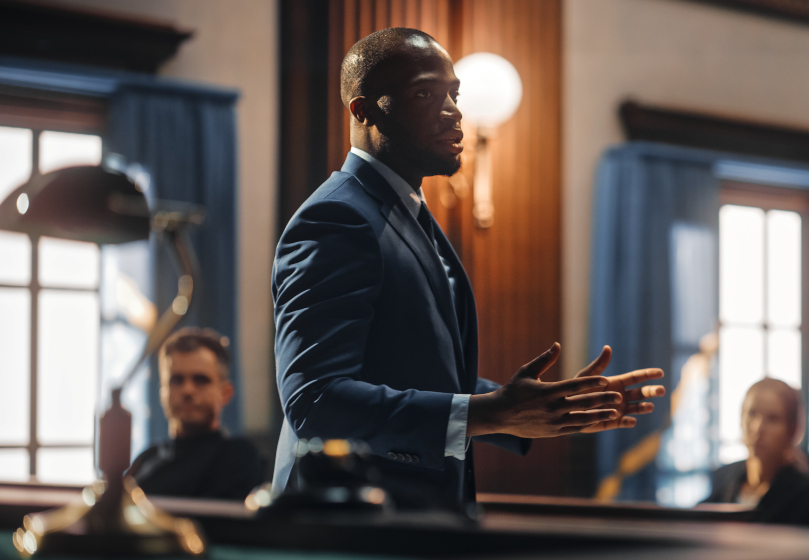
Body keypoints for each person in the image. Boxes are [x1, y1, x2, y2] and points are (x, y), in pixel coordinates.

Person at [272, 27, 665, 510]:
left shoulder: (406, 212)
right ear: (363, 110)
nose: (454, 111)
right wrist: (484, 413)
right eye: (425, 93)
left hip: (416, 517)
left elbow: (416, 370)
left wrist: (536, 408)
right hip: (347, 521)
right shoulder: (336, 217)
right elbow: (316, 400)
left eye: (454, 94)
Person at [127, 328, 263, 500]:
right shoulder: (146, 459)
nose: (188, 390)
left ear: (225, 393)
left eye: (201, 380)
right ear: (163, 392)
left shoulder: (239, 457)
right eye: (176, 380)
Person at [704, 378, 809, 527]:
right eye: (751, 414)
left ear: (793, 429)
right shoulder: (723, 483)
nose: (757, 428)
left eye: (772, 419)